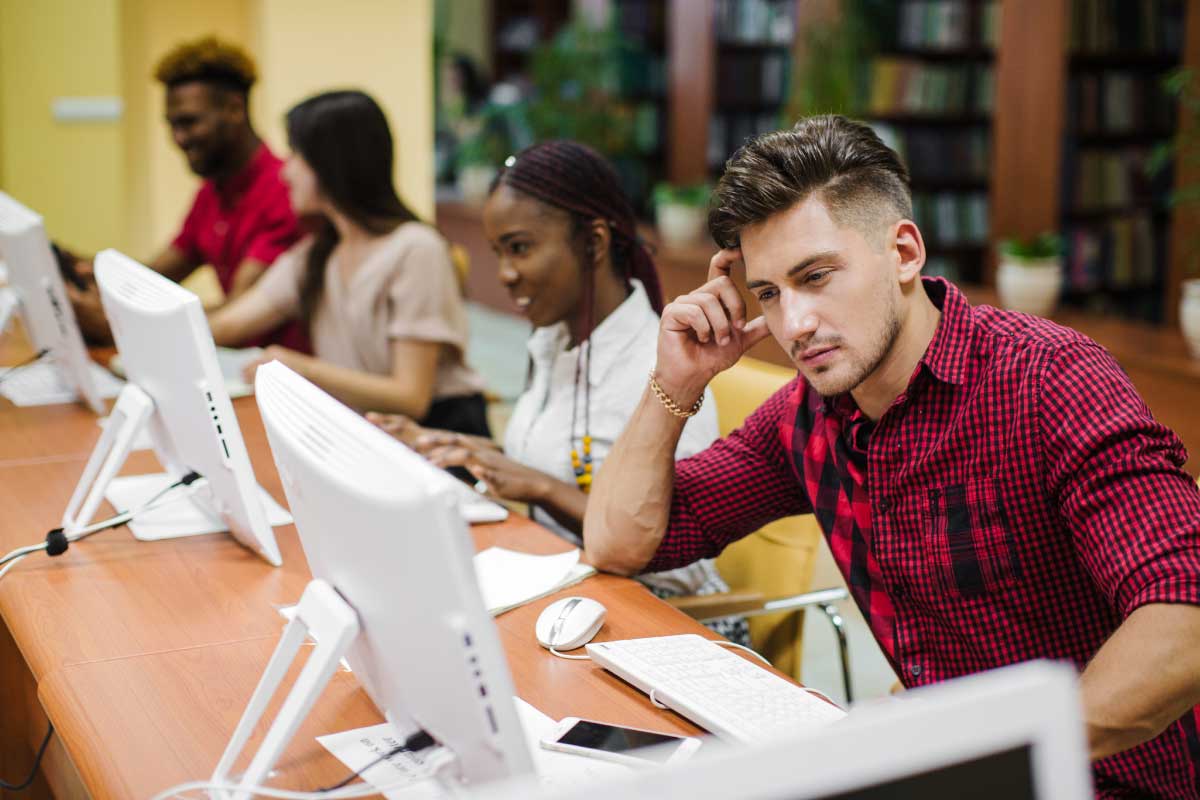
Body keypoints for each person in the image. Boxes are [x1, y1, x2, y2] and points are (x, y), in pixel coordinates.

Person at [583, 115, 1200, 798]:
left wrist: (977, 749)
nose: (795, 325)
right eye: (769, 294)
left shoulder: (1047, 379)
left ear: (903, 252)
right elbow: (619, 541)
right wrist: (676, 383)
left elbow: (1185, 612)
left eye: (817, 276)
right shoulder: (807, 415)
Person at [372, 140, 746, 642]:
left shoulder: (663, 369)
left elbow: (682, 564)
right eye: (498, 252)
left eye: (520, 248)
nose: (505, 274)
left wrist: (540, 487)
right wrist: (454, 447)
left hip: (665, 625)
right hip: (574, 598)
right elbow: (568, 460)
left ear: (593, 242)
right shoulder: (555, 342)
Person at [208, 90, 488, 434]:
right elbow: (228, 325)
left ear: (330, 163)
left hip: (439, 437)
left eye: (296, 155)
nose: (285, 173)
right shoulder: (316, 255)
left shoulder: (416, 250)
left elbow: (411, 396)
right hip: (369, 435)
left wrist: (301, 368)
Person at [67, 36, 304, 348]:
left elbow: (238, 312)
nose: (178, 138)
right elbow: (153, 277)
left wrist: (124, 322)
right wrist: (81, 268)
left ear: (235, 108)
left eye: (189, 122)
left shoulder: (284, 192)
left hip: (271, 367)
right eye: (172, 125)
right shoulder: (212, 192)